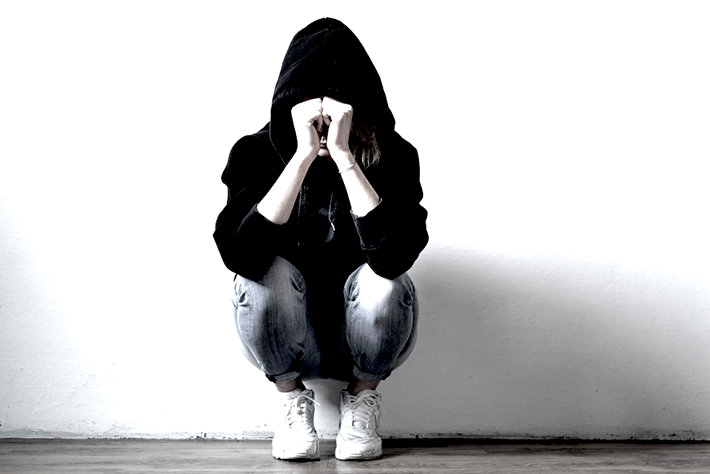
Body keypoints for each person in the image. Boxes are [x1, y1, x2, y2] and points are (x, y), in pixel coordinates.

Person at [213, 17, 428, 461]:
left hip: (363, 337)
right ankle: (291, 400)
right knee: (260, 274)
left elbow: (394, 258)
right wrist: (300, 156)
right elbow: (240, 256)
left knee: (386, 282)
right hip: (287, 336)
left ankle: (362, 399)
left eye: (338, 116)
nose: (325, 125)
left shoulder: (396, 156)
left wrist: (347, 158)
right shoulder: (254, 153)